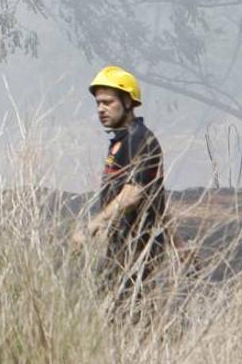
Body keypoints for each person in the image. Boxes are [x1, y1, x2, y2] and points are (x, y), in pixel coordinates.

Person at [72, 65, 186, 307]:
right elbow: (157, 200)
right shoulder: (122, 142)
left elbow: (135, 193)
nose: (101, 109)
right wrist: (179, 246)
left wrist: (92, 225)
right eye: (98, 103)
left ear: (127, 101)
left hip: (137, 249)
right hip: (120, 247)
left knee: (124, 316)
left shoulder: (139, 139)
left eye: (108, 102)